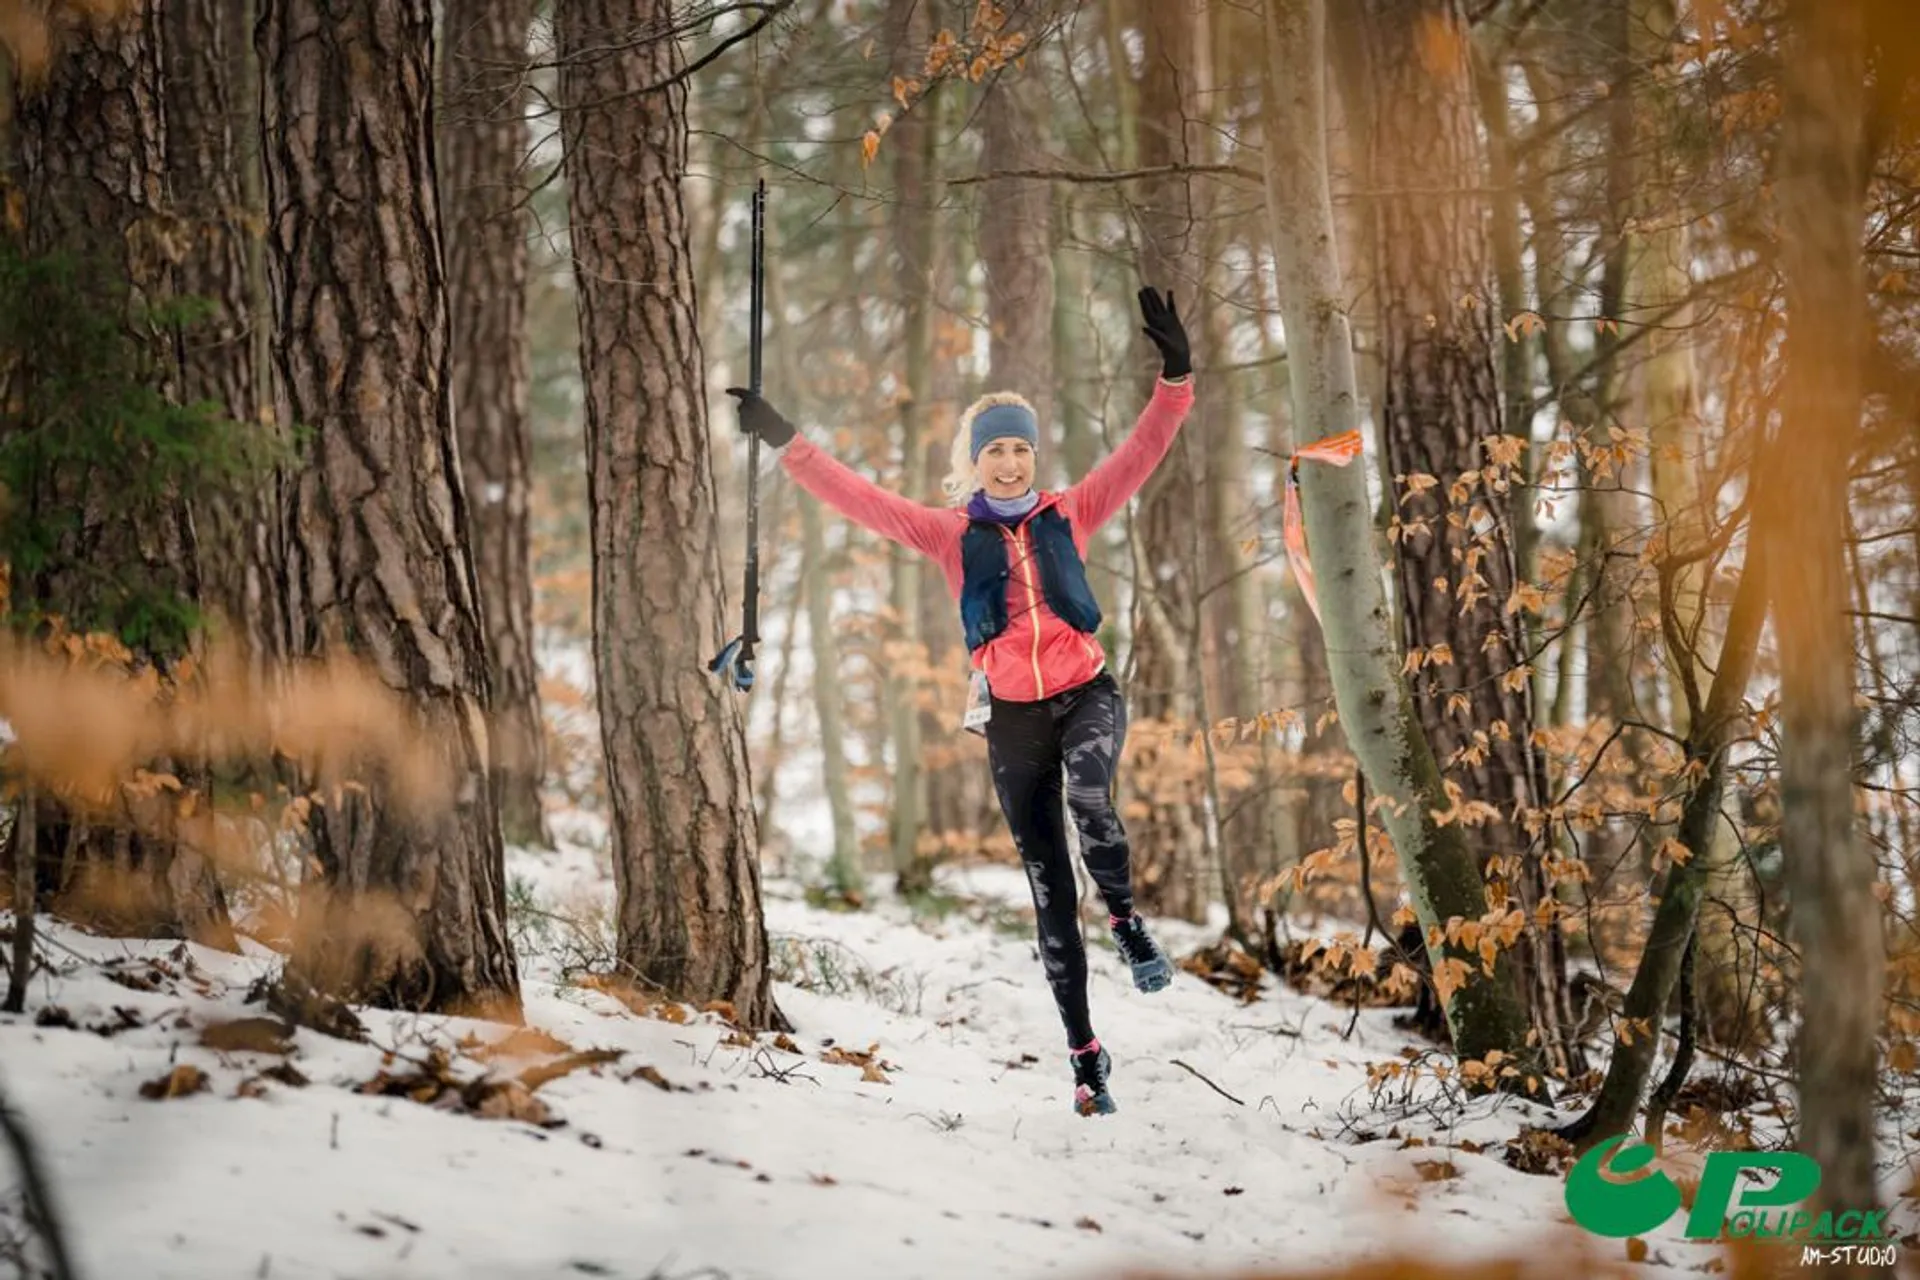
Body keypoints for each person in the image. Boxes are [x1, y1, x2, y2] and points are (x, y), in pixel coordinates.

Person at [726, 286, 1194, 1117]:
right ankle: (1086, 1058)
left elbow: (1144, 451)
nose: (1009, 462)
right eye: (995, 450)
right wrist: (786, 441)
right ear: (973, 460)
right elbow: (860, 498)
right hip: (1011, 723)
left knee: (1090, 795)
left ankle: (1125, 920)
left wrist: (1176, 376)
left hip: (1087, 693)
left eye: (1020, 448)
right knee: (1050, 886)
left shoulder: (1073, 512)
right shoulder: (950, 533)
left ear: (1033, 456)